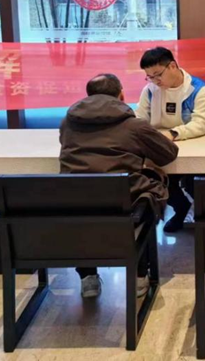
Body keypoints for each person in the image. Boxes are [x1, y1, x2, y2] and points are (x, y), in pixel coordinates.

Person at [59, 73, 179, 299]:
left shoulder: (68, 123)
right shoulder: (134, 126)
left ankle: (88, 278)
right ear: (121, 95)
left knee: (84, 211)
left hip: (75, 205)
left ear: (89, 96)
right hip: (124, 206)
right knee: (147, 196)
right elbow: (168, 154)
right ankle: (140, 275)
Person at [135, 47, 205, 233]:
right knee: (152, 179)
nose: (155, 81)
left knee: (196, 183)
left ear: (172, 66)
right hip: (159, 146)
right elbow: (140, 118)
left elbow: (201, 124)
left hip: (192, 146)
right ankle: (181, 209)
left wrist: (173, 133)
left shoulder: (199, 90)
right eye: (149, 77)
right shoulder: (150, 90)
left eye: (158, 75)